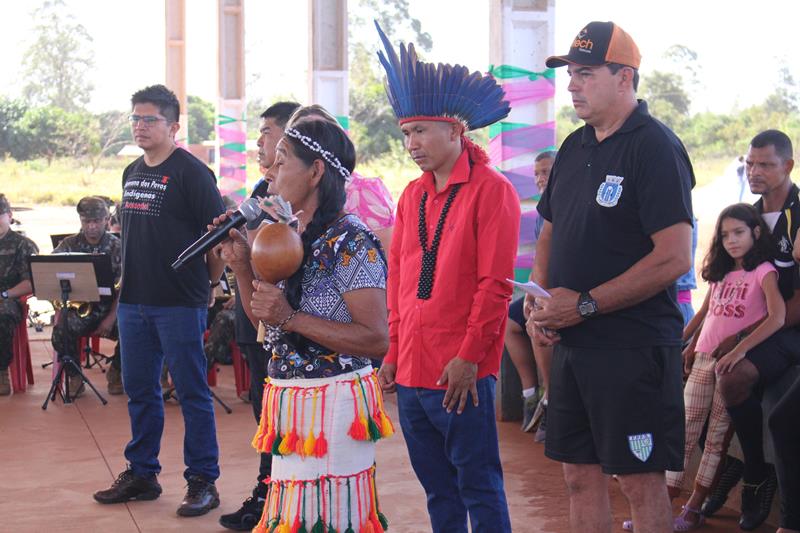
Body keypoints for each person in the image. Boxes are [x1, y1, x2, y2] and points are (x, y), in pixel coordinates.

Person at [529, 21, 694, 533]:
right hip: (576, 347)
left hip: (633, 349)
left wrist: (584, 305)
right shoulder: (574, 149)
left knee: (639, 483)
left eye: (585, 74)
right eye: (570, 75)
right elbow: (549, 235)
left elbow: (675, 257)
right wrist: (539, 304)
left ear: (625, 78)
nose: (572, 85)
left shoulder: (655, 148)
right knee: (578, 476)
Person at [373, 23, 518, 532]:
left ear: (456, 129)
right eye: (406, 133)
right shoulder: (411, 194)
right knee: (438, 491)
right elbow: (398, 279)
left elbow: (495, 285)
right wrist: (392, 350)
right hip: (411, 371)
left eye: (420, 131)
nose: (411, 143)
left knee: (478, 485)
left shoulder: (492, 190)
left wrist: (471, 358)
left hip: (460, 372)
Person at [217, 116, 392, 532]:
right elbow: (267, 320)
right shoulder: (288, 232)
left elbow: (376, 339)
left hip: (335, 402)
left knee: (330, 519)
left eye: (281, 162)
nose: (270, 172)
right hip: (290, 398)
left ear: (316, 172)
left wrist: (291, 317)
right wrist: (242, 265)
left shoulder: (350, 240)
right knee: (294, 520)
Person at [93, 84, 226, 518]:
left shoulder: (192, 173)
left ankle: (203, 479)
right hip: (134, 302)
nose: (140, 126)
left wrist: (207, 289)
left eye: (149, 119)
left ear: (173, 125)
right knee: (139, 391)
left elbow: (218, 238)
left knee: (190, 392)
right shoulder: (131, 171)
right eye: (135, 118)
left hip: (179, 302)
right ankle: (142, 473)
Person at [659, 204, 784, 531]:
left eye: (739, 232)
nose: (731, 241)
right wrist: (684, 343)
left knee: (716, 437)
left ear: (756, 233)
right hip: (703, 356)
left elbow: (777, 316)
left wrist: (740, 350)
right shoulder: (722, 273)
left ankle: (693, 508)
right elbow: (706, 315)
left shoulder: (764, 271)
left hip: (732, 365)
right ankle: (662, 507)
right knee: (683, 426)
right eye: (725, 234)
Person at [219, 100, 300, 531]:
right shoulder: (259, 193)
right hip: (255, 324)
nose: (258, 141)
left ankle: (277, 496)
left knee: (285, 422)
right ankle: (267, 491)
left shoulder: (296, 199)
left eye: (267, 132)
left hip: (285, 328)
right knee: (264, 416)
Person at [716, 129, 800, 530]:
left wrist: (745, 335)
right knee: (704, 367)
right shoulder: (748, 216)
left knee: (736, 376)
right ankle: (729, 467)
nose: (755, 171)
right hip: (759, 324)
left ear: (788, 166)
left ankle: (755, 474)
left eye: (766, 164)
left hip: (789, 329)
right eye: (751, 163)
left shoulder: (798, 215)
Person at [51, 196, 122, 397]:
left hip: (112, 310)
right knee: (60, 331)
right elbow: (49, 273)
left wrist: (110, 318)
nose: (91, 226)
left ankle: (116, 371)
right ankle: (75, 377)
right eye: (86, 222)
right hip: (81, 311)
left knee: (138, 328)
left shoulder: (118, 247)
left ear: (107, 220)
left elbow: (125, 289)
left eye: (96, 221)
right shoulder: (68, 244)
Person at [506, 151, 555, 434]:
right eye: (537, 173)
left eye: (546, 172)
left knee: (536, 322)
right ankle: (530, 395)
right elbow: (540, 257)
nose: (540, 178)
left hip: (562, 290)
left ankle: (551, 398)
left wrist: (539, 296)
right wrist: (532, 293)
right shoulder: (541, 210)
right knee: (509, 322)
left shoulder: (566, 205)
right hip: (543, 287)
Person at [0, 193, 39, 396]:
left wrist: (6, 295)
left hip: (10, 298)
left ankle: (1, 373)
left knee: (2, 314)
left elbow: (32, 281)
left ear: (9, 215)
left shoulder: (23, 245)